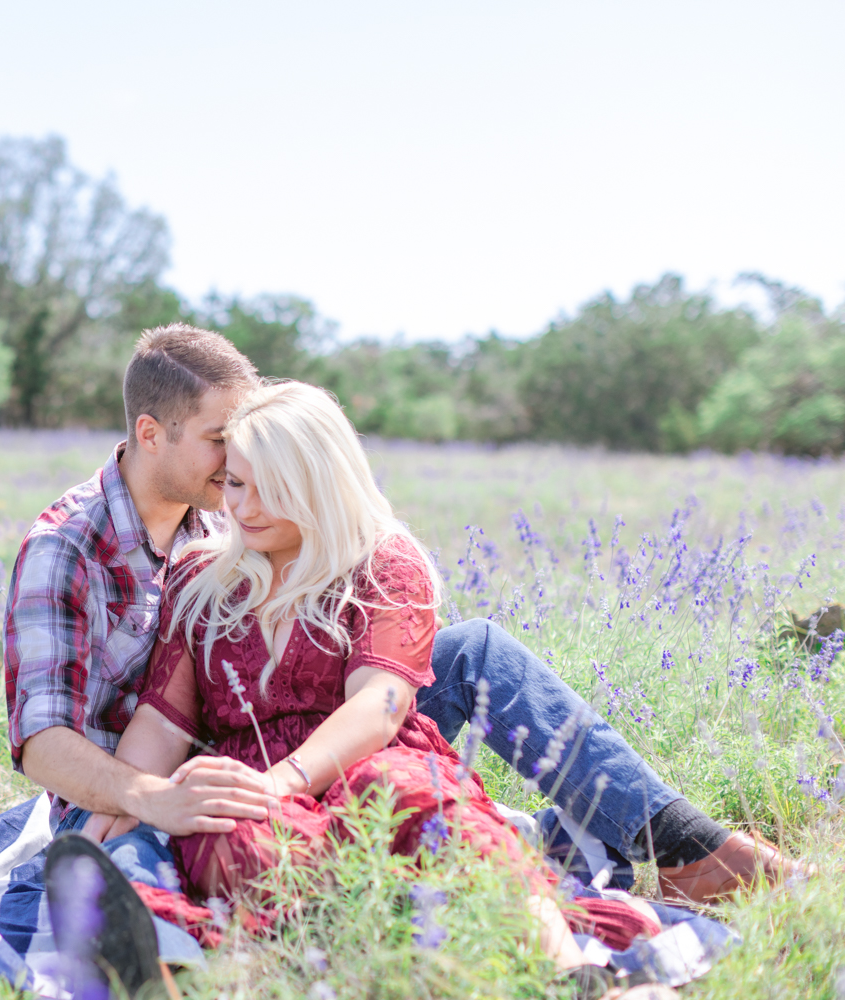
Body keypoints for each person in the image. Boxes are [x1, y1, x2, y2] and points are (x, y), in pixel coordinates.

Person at [6, 322, 800, 911]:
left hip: (280, 735)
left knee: (471, 652)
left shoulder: (223, 514)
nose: (238, 463)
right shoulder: (67, 547)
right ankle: (539, 850)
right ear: (152, 433)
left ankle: (690, 847)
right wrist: (145, 797)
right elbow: (42, 744)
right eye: (222, 441)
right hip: (149, 781)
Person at [107, 380, 662, 969]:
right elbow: (164, 722)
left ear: (321, 485)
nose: (244, 509)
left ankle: (570, 971)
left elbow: (380, 705)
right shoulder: (204, 578)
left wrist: (287, 780)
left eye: (273, 491)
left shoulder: (382, 561)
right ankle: (351, 955)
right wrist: (109, 812)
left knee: (411, 795)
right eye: (237, 484)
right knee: (228, 830)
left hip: (369, 759)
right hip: (255, 778)